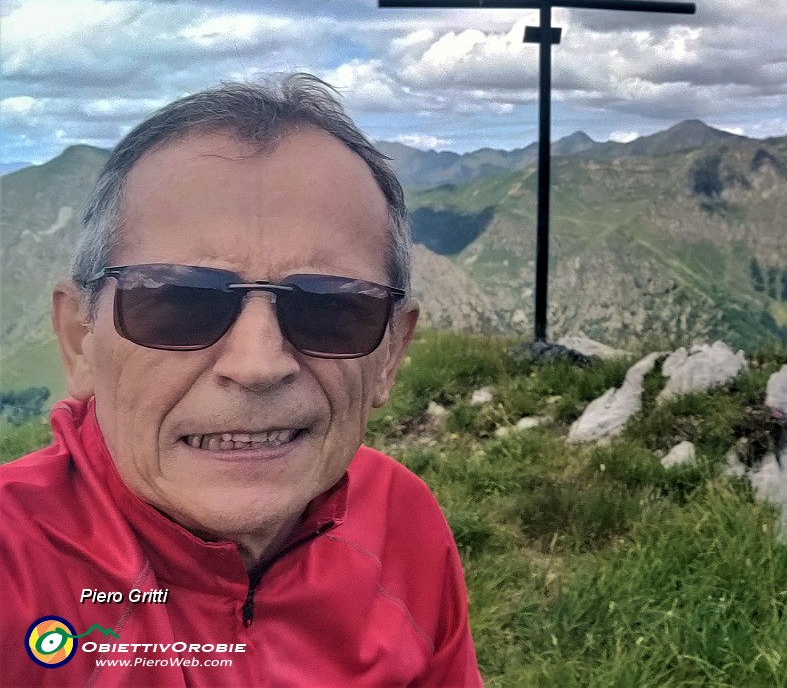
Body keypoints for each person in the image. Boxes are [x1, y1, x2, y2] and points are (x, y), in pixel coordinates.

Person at [1, 74, 483, 687]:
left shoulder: (403, 521)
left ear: (390, 353)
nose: (258, 366)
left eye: (331, 309)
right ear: (81, 340)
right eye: (179, 303)